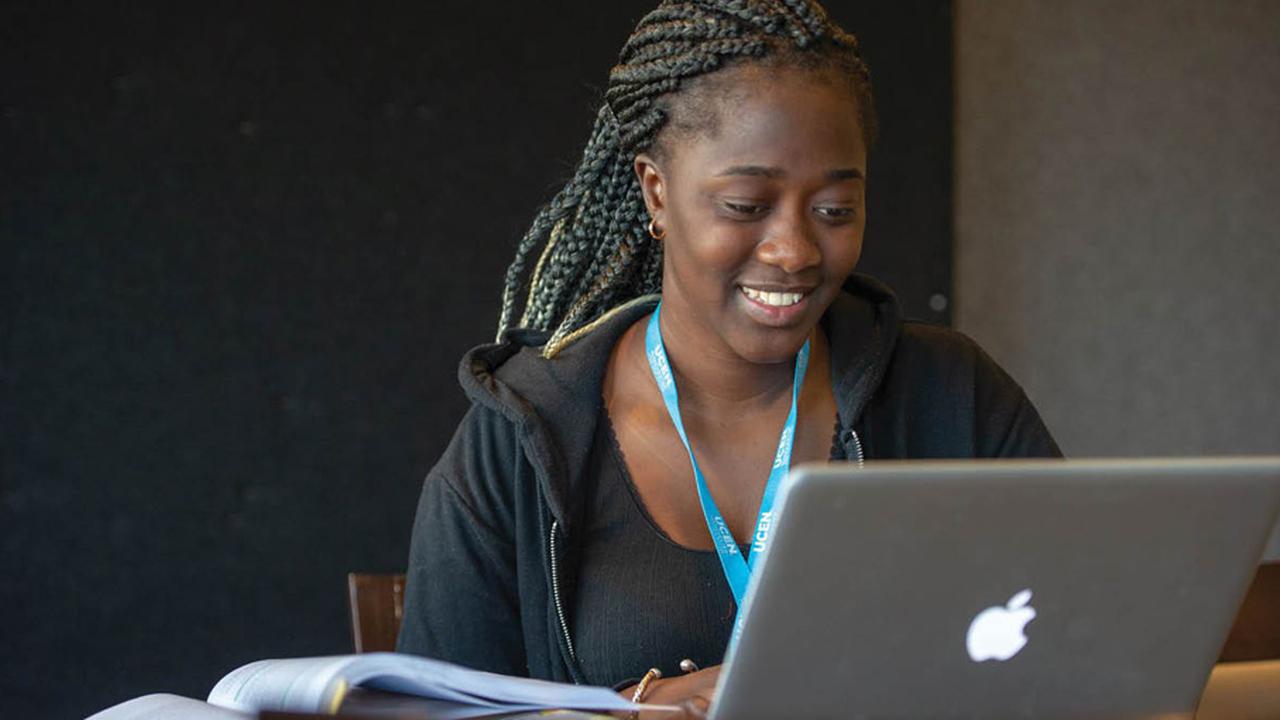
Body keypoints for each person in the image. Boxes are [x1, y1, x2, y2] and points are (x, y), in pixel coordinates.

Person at [397, 1, 1060, 716]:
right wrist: (629, 708)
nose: (795, 250)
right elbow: (425, 711)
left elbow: (1094, 641)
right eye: (746, 205)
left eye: (835, 210)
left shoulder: (952, 397)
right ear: (657, 192)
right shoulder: (522, 440)